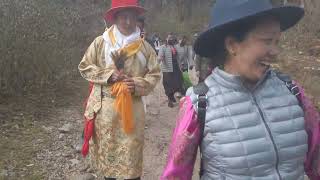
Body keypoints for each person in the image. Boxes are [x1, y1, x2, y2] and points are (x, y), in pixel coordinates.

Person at [162, 0, 320, 179]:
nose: (275, 51)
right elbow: (175, 175)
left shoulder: (293, 92)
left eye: (277, 41)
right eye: (267, 40)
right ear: (232, 45)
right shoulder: (199, 103)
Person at [78, 0, 161, 179]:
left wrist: (137, 84)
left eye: (131, 17)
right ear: (115, 18)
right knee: (108, 163)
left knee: (131, 163)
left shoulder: (145, 48)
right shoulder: (101, 43)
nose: (128, 22)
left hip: (132, 113)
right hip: (105, 116)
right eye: (123, 17)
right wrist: (108, 76)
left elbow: (155, 75)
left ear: (136, 18)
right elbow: (85, 67)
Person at [158, 33, 184, 107]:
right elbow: (160, 56)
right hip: (167, 69)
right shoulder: (163, 47)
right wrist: (160, 60)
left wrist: (180, 66)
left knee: (179, 82)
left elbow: (178, 57)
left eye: (172, 38)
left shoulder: (175, 47)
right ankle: (170, 99)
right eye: (169, 38)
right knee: (168, 85)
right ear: (166, 39)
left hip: (176, 68)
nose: (170, 39)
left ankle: (178, 96)